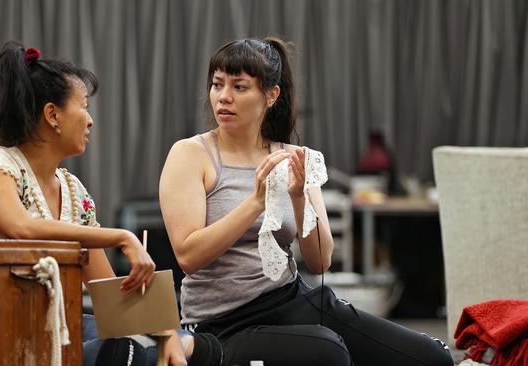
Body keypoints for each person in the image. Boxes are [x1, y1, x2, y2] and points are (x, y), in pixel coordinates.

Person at [159, 37, 454, 366]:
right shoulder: (191, 155)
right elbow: (188, 255)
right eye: (217, 84)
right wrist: (257, 202)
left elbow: (321, 261)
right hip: (222, 323)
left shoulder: (296, 158)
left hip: (290, 299)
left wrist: (299, 199)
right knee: (329, 352)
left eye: (239, 87)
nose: (224, 97)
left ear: (271, 96)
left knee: (433, 358)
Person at [0, 41, 220, 366]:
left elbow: (110, 291)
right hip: (2, 329)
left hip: (61, 326)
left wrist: (167, 332)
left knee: (196, 347)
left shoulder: (74, 192)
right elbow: (22, 227)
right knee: (127, 352)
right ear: (52, 115)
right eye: (84, 106)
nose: (90, 121)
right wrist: (122, 237)